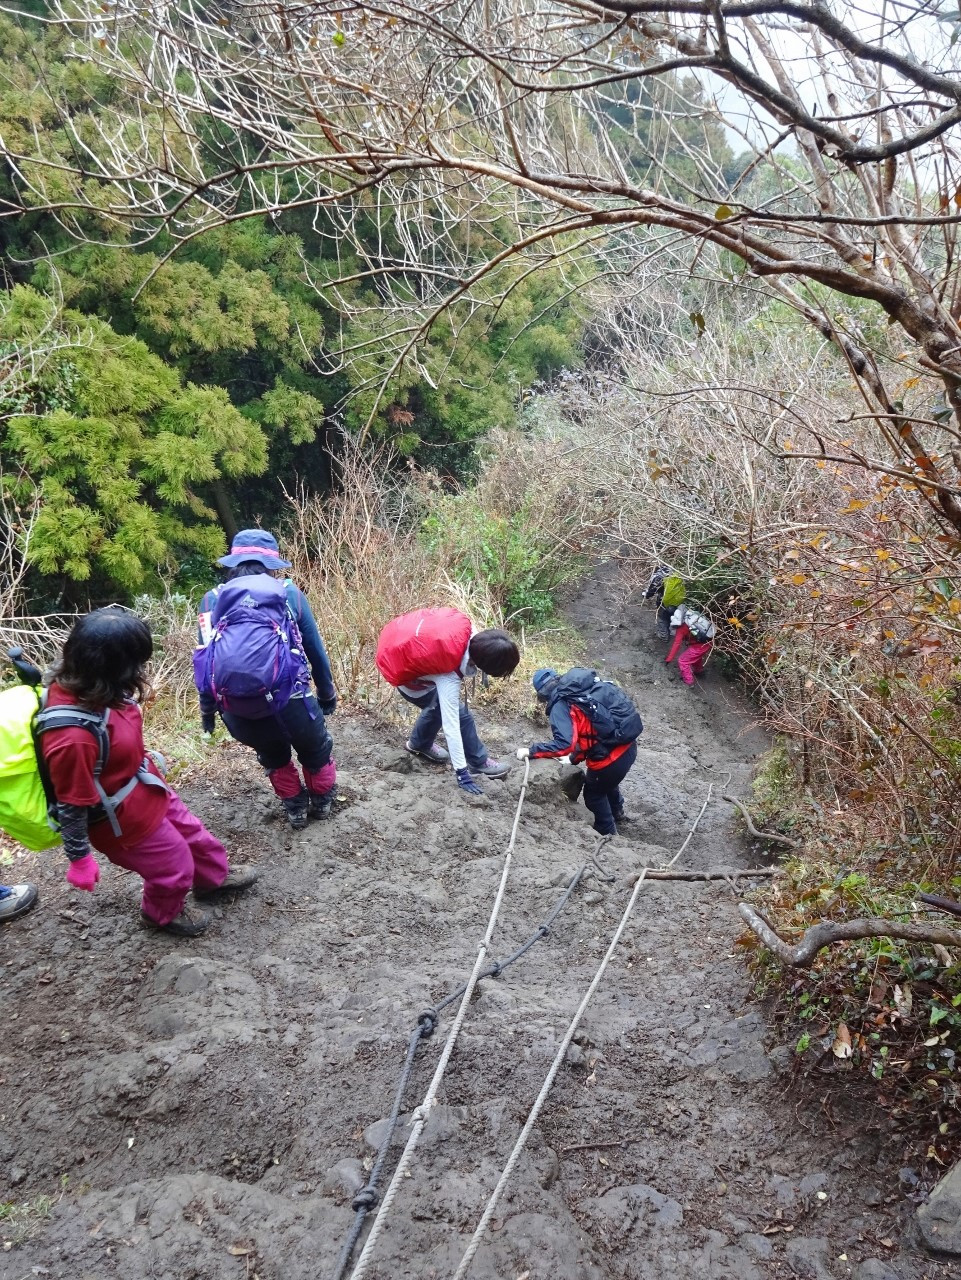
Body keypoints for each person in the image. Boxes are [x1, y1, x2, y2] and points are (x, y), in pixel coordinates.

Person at [41, 607, 257, 938]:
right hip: (120, 817)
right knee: (174, 868)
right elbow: (71, 804)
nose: (141, 669)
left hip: (146, 786)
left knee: (198, 838)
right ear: (114, 667)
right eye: (136, 662)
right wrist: (79, 858)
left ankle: (213, 879)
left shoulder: (100, 688)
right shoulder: (72, 738)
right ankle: (160, 913)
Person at [197, 530, 338, 831]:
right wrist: (327, 693)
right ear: (271, 564)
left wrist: (208, 713)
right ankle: (323, 803)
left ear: (233, 562)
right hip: (292, 700)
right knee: (315, 750)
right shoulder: (288, 593)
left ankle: (295, 809)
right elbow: (314, 650)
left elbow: (205, 661)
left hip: (238, 709)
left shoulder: (211, 600)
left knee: (273, 756)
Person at [375, 607, 519, 796]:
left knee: (437, 708)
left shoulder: (470, 632)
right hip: (411, 683)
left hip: (410, 659)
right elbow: (451, 727)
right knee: (461, 717)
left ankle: (419, 744)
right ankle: (479, 762)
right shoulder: (448, 675)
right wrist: (461, 773)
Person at [517, 667, 641, 836]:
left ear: (542, 694)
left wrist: (532, 751)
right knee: (606, 783)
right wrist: (573, 759)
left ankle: (609, 835)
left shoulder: (560, 705)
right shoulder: (584, 688)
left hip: (610, 761)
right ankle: (618, 813)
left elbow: (564, 744)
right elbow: (591, 730)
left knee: (594, 794)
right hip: (628, 746)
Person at [666, 603, 717, 686]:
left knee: (683, 661)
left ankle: (689, 682)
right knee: (695, 656)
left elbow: (677, 644)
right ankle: (699, 671)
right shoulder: (690, 616)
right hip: (708, 643)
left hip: (699, 646)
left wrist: (669, 659)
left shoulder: (681, 628)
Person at [643, 566, 686, 640]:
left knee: (662, 618)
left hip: (665, 602)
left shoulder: (658, 577)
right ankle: (670, 631)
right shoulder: (675, 573)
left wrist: (646, 595)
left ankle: (664, 636)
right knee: (670, 616)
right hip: (678, 602)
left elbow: (652, 590)